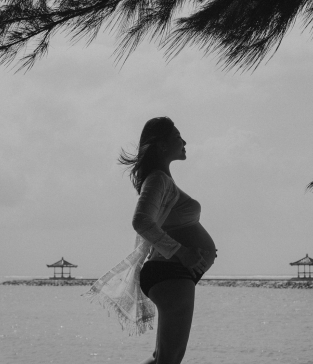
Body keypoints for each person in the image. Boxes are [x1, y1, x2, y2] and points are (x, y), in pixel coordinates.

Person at [86, 117, 217, 364]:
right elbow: (141, 221)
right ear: (162, 145)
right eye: (178, 137)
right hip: (172, 272)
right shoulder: (158, 179)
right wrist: (183, 252)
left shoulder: (163, 180)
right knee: (170, 359)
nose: (184, 141)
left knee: (161, 358)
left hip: (173, 273)